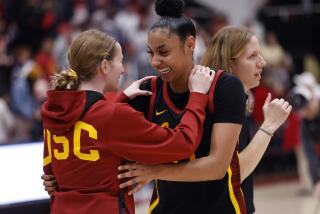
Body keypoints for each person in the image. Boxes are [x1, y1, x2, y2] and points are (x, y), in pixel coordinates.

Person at [117, 26, 292, 214]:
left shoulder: (213, 93)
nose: (262, 62)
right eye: (252, 56)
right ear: (230, 64)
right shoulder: (223, 99)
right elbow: (234, 170)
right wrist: (268, 127)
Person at [41, 29, 214, 214]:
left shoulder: (56, 111)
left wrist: (120, 98)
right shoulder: (114, 115)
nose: (123, 69)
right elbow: (182, 144)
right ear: (105, 66)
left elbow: (52, 176)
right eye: (120, 61)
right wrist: (197, 97)